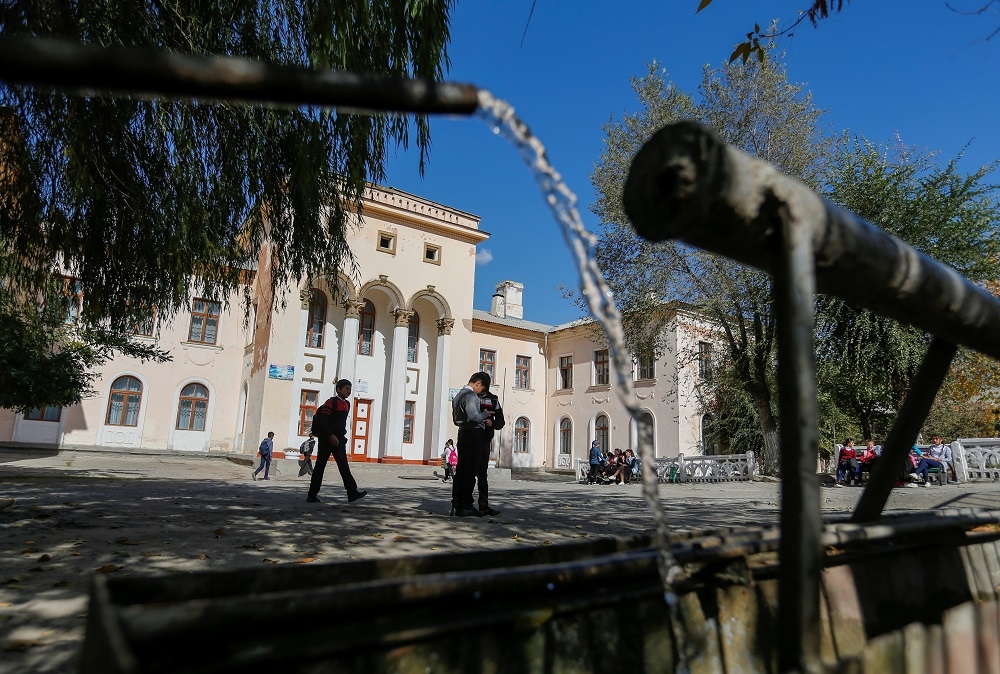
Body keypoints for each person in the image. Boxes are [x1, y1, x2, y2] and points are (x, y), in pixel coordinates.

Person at [307, 379, 367, 504]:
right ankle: (312, 494)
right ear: (339, 389)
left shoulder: (347, 404)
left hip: (339, 440)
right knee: (320, 467)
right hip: (326, 439)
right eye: (346, 389)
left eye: (350, 389)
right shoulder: (331, 402)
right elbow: (323, 421)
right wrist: (330, 435)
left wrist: (338, 437)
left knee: (344, 467)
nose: (349, 391)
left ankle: (352, 492)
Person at [450, 371, 494, 517]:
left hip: (462, 433)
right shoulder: (470, 396)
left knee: (461, 471)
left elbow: (456, 420)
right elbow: (474, 417)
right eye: (482, 389)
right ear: (478, 383)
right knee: (470, 472)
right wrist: (485, 414)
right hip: (473, 435)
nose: (481, 393)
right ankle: (466, 505)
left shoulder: (457, 396)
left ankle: (456, 503)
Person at [475, 386, 505, 516]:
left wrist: (492, 424)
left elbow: (500, 421)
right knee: (468, 474)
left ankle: (483, 505)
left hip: (484, 441)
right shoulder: (471, 396)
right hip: (471, 439)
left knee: (482, 475)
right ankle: (465, 505)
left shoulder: (493, 400)